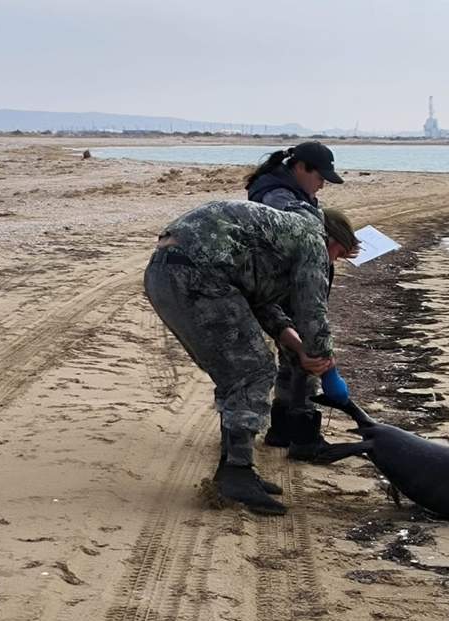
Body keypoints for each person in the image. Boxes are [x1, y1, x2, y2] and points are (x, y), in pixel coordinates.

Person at [143, 200, 355, 515]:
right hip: (197, 274)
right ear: (334, 242)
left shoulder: (280, 236)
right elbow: (313, 310)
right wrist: (323, 356)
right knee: (253, 371)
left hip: (164, 273)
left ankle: (234, 469)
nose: (332, 263)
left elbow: (258, 301)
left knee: (233, 374)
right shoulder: (313, 239)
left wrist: (296, 346)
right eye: (338, 256)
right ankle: (237, 475)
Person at [244, 142, 357, 461]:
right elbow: (298, 243)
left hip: (276, 282)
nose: (323, 184)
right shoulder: (278, 197)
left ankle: (281, 430)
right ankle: (304, 439)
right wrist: (323, 354)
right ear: (301, 168)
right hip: (276, 284)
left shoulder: (290, 192)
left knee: (292, 361)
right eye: (320, 177)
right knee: (305, 360)